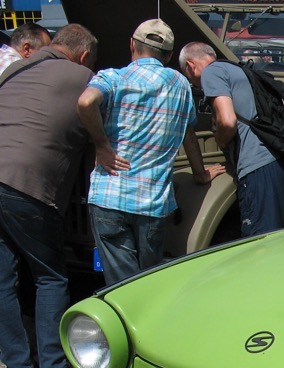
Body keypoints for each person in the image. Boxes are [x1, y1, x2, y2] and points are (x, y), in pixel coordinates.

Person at [77, 20, 225, 286]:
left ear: (132, 44)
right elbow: (189, 134)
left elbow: (86, 102)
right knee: (148, 281)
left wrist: (101, 145)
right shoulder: (180, 84)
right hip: (152, 201)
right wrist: (200, 174)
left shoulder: (113, 77)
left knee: (121, 286)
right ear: (169, 55)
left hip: (110, 195)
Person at [0, 24, 98, 368]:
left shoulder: (14, 69)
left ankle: (19, 367)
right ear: (84, 54)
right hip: (29, 184)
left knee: (2, 279)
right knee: (50, 275)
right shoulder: (83, 76)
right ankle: (55, 364)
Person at [180, 41, 284, 237]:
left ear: (190, 66)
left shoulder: (211, 73)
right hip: (280, 163)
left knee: (259, 246)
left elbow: (227, 121)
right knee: (283, 243)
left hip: (256, 168)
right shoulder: (236, 69)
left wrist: (220, 139)